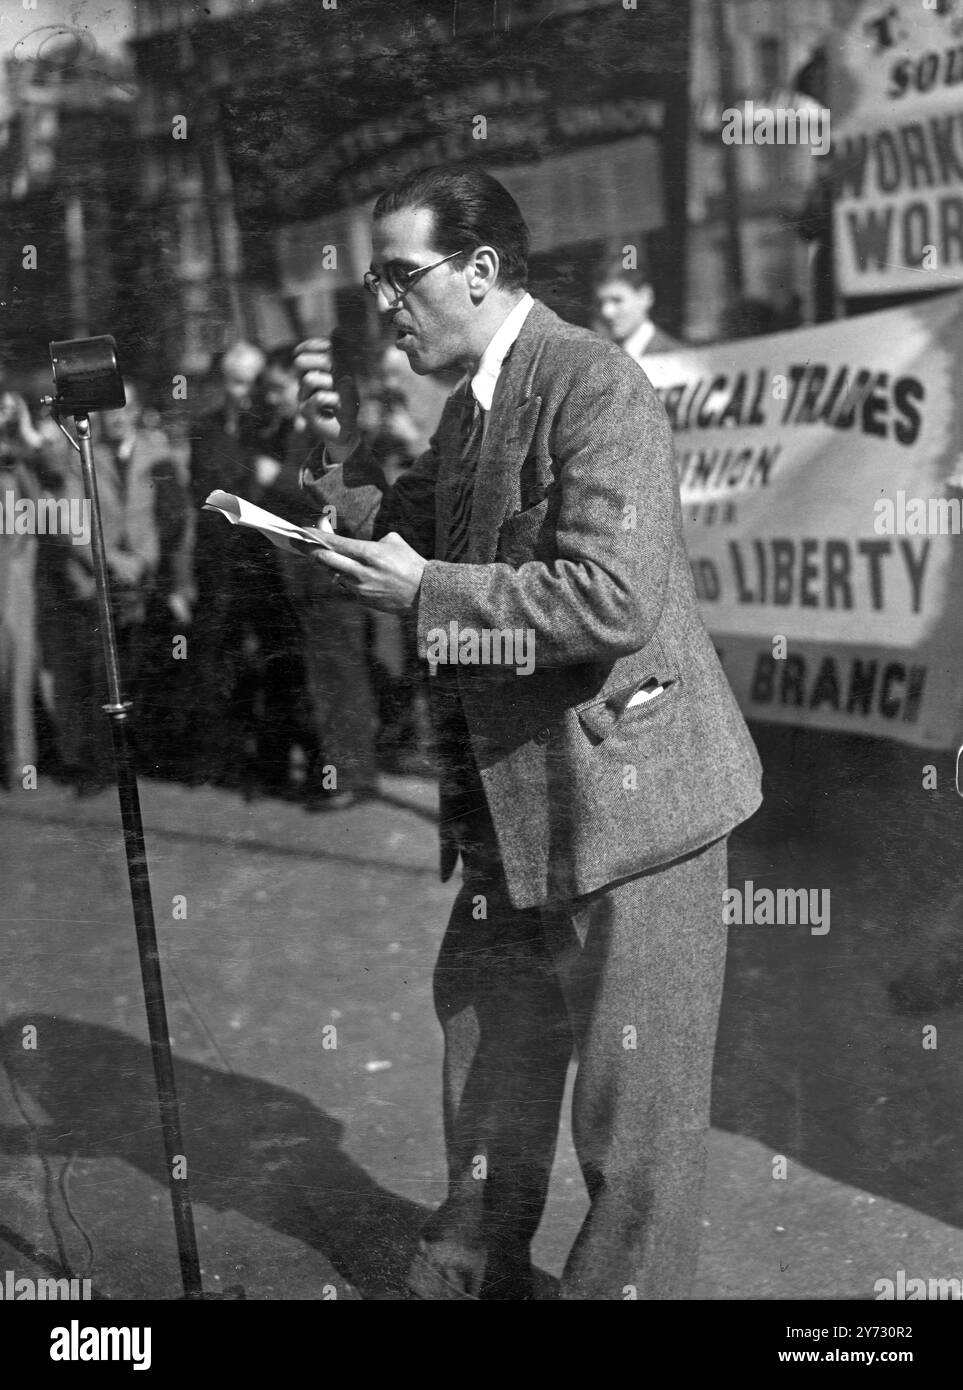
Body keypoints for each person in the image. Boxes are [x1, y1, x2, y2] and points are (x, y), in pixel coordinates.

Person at [295, 163, 763, 1300]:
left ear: (482, 270)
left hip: (634, 810)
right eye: (374, 282)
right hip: (518, 813)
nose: (385, 305)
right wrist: (330, 458)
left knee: (631, 1132)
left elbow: (611, 596)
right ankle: (473, 1269)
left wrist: (428, 598)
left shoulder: (594, 383)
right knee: (489, 1063)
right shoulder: (468, 414)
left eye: (400, 278)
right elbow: (390, 538)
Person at [258, 344, 378, 809]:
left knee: (340, 678)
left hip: (328, 578)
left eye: (278, 387)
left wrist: (275, 478)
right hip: (304, 577)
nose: (271, 397)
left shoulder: (326, 430)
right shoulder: (291, 429)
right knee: (323, 677)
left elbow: (337, 493)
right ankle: (339, 772)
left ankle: (351, 776)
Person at [592, 251, 681, 363]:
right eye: (600, 302)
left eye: (617, 300)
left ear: (645, 297)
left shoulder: (677, 356)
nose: (606, 312)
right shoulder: (599, 359)